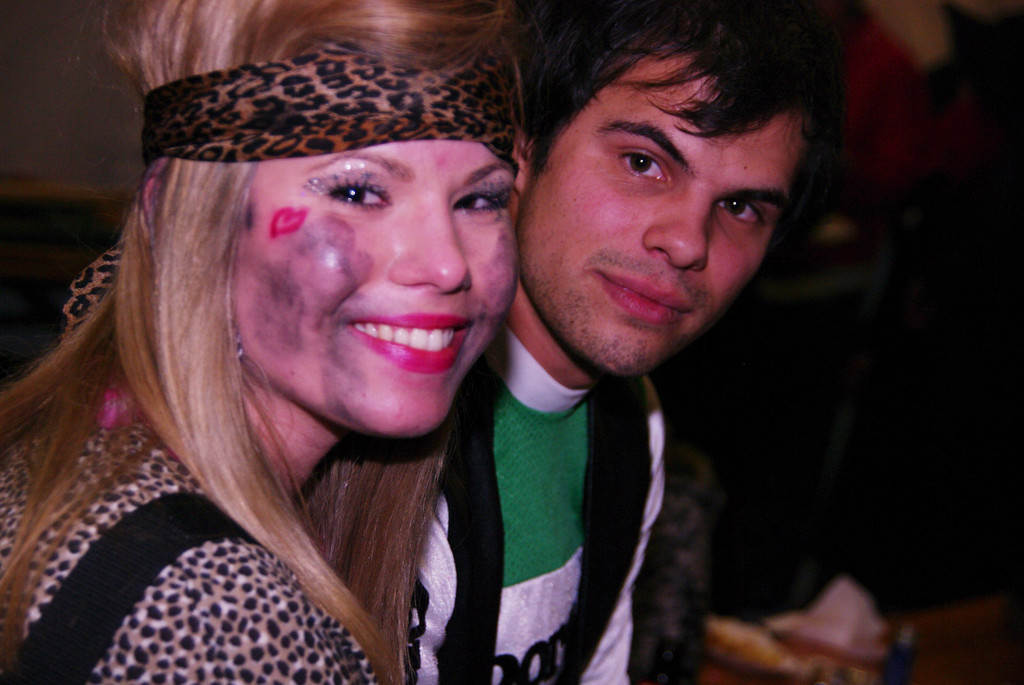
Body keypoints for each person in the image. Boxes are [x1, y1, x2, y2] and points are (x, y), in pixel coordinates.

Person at [0, 0, 520, 683]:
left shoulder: (75, 458)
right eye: (359, 192)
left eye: (480, 200)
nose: (447, 264)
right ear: (181, 217)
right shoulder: (214, 614)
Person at [390, 0, 845, 682]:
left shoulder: (631, 427)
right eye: (642, 161)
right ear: (521, 143)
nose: (688, 242)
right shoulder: (390, 422)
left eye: (740, 206)